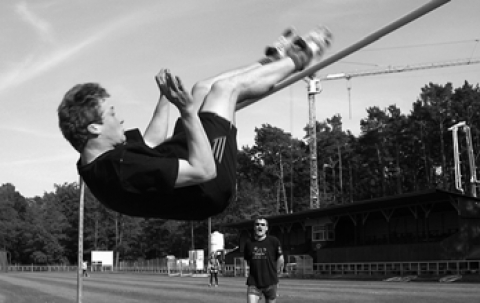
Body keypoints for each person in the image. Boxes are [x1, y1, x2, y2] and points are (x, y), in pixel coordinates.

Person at [57, 26, 332, 220]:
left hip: (189, 165)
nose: (121, 118)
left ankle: (268, 64)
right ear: (94, 128)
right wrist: (187, 112)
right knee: (225, 90)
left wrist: (165, 99)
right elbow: (204, 169)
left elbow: (151, 142)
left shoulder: (97, 158)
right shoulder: (119, 169)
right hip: (208, 185)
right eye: (113, 114)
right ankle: (299, 59)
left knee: (202, 88)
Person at [244, 216, 284, 303]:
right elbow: (248, 260)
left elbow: (280, 259)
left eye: (262, 225)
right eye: (257, 224)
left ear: (266, 228)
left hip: (271, 283)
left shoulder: (274, 241)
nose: (260, 226)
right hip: (254, 282)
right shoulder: (248, 243)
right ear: (254, 227)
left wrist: (275, 272)